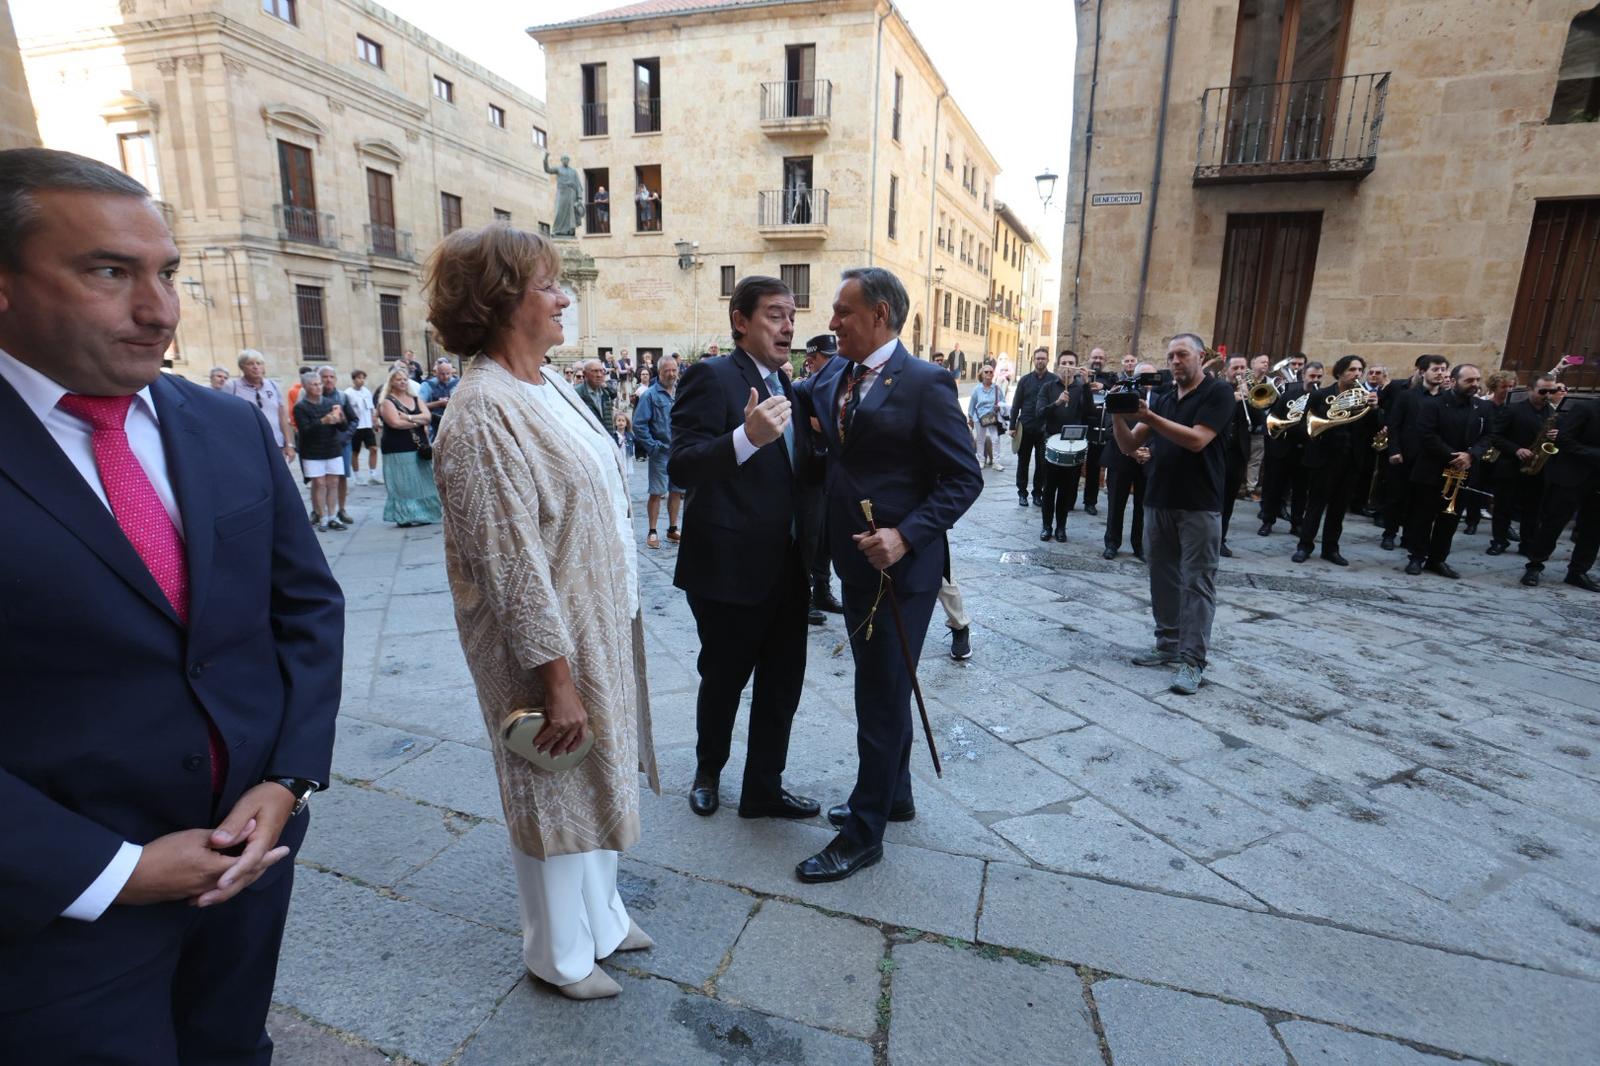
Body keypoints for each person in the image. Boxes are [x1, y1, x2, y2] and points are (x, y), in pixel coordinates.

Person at [0, 146, 341, 1063]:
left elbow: (306, 608)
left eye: (167, 273)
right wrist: (112, 872)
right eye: (110, 273)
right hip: (50, 923)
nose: (160, 310)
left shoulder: (224, 425)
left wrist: (288, 779)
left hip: (248, 867)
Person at [427, 222, 659, 1001]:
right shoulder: (481, 411)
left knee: (600, 771)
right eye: (550, 286)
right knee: (553, 779)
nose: (565, 298)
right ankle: (558, 954)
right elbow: (511, 565)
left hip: (597, 616)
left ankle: (602, 918)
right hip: (547, 642)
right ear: (500, 302)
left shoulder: (549, 383)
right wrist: (553, 679)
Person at [791, 266, 982, 883]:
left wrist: (906, 535)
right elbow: (829, 444)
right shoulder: (833, 379)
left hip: (905, 569)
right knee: (885, 682)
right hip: (852, 562)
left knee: (878, 693)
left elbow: (964, 478)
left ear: (879, 314)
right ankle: (894, 793)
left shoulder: (926, 382)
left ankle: (864, 831)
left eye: (843, 311)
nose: (832, 322)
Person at [667, 275, 821, 822]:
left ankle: (763, 789)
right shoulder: (711, 377)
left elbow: (801, 472)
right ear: (740, 321)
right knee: (725, 678)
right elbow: (681, 463)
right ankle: (709, 771)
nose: (788, 326)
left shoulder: (792, 388)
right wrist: (744, 438)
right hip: (728, 568)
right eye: (775, 315)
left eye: (791, 316)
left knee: (783, 684)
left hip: (787, 567)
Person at [1113, 332, 1234, 696]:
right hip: (1159, 499)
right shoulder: (1165, 398)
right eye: (1170, 356)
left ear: (1200, 357)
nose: (1175, 362)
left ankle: (1193, 660)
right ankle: (1167, 644)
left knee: (1197, 582)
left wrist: (1149, 414)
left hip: (1199, 504)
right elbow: (1129, 444)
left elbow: (1198, 439)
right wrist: (1117, 414)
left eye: (1182, 354)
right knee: (1161, 577)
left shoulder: (1218, 393)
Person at [1403, 364, 1488, 578]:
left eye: (1477, 380)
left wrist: (1471, 455)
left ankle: (1438, 559)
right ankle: (1416, 557)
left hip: (1464, 471)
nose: (1475, 385)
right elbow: (1426, 434)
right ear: (1454, 380)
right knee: (1423, 516)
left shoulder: (1482, 408)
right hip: (1432, 469)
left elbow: (1488, 436)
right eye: (1469, 381)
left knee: (1450, 519)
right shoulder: (1434, 405)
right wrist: (1453, 456)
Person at [1292, 354, 1378, 566]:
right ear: (1339, 372)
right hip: (1325, 458)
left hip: (1350, 460)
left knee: (1339, 508)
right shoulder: (1321, 395)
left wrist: (1375, 409)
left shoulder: (1364, 397)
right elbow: (1304, 425)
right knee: (1315, 505)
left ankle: (1331, 548)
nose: (1357, 374)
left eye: (1359, 370)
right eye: (1352, 370)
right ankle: (1304, 546)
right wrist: (1326, 425)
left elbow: (1375, 428)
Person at [1520, 393, 1600, 590]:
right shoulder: (1586, 408)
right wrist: (1594, 454)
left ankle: (1578, 571)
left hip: (1597, 482)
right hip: (1571, 477)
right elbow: (1564, 438)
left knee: (1593, 529)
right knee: (1553, 524)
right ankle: (1535, 566)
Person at [1379, 354, 1449, 550]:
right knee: (1396, 497)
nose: (1440, 373)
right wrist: (1394, 450)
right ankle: (1389, 534)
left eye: (1443, 369)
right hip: (1405, 455)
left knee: (1420, 501)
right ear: (1422, 372)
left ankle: (1410, 536)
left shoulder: (1446, 399)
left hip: (1429, 459)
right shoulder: (1407, 395)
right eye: (1435, 369)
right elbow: (1394, 425)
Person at [798, 334, 845, 623]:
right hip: (810, 472)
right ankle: (804, 596)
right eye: (822, 361)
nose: (829, 367)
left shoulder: (839, 386)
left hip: (831, 474)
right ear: (812, 361)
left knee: (826, 538)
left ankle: (823, 591)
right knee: (809, 537)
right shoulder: (806, 389)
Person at [1488, 372, 1558, 556]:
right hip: (1510, 466)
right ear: (1530, 389)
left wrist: (1556, 437)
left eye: (1552, 391)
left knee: (1533, 511)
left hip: (1537, 470)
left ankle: (1527, 544)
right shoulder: (1513, 409)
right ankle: (1499, 541)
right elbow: (1495, 436)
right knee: (1503, 507)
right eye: (1542, 391)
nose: (1547, 395)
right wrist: (1516, 449)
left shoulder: (1552, 413)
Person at [376, 365, 442, 527]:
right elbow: (394, 423)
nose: (403, 382)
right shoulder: (387, 402)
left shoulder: (415, 398)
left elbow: (427, 418)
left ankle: (425, 514)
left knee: (423, 481)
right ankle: (404, 516)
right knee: (403, 484)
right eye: (399, 379)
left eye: (405, 379)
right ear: (391, 382)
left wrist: (408, 417)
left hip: (419, 446)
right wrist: (416, 419)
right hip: (397, 447)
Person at [1102, 362, 1154, 560]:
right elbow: (1110, 429)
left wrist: (1149, 451)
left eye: (1151, 377)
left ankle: (1139, 545)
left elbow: (1162, 430)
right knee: (1116, 503)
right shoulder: (1120, 396)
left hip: (1147, 460)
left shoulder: (1162, 399)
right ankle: (1112, 543)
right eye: (1143, 377)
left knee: (1143, 505)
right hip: (1121, 458)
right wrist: (1132, 451)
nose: (1147, 382)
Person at [1038, 352, 1092, 542]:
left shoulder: (1080, 388)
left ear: (1077, 367)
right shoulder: (1048, 387)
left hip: (1072, 445)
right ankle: (1046, 527)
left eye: (1071, 363)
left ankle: (1061, 528)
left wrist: (1086, 386)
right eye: (1064, 363)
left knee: (1066, 490)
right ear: (1058, 365)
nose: (1068, 367)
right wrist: (1057, 402)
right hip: (1051, 443)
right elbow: (1040, 412)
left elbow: (1089, 413)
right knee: (1049, 489)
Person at [632, 355, 684, 548]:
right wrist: (653, 447)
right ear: (659, 372)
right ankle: (652, 531)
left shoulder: (681, 393)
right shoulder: (650, 395)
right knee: (656, 492)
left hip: (679, 451)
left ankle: (672, 529)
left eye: (673, 370)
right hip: (660, 452)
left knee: (677, 491)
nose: (671, 374)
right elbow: (638, 425)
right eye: (666, 371)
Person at [293, 371, 348, 532]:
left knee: (333, 483)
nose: (318, 387)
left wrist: (341, 417)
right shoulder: (300, 407)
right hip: (312, 451)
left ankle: (333, 516)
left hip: (332, 448)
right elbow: (305, 430)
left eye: (319, 384)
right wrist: (323, 421)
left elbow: (343, 428)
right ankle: (321, 516)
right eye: (314, 384)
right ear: (305, 387)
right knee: (319, 484)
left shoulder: (331, 402)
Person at [224, 347, 295, 462]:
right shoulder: (232, 387)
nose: (256, 367)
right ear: (242, 367)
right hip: (247, 444)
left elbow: (282, 416)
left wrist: (289, 444)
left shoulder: (273, 385)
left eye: (259, 363)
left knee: (278, 477)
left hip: (275, 442)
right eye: (250, 364)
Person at [1218, 355, 1253, 557]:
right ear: (1226, 370)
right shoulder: (1217, 389)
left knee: (1229, 500)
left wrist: (1249, 400)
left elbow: (1256, 422)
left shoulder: (1248, 392)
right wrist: (1231, 400)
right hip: (1217, 451)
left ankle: (1221, 538)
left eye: (1242, 367)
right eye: (1235, 367)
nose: (1239, 371)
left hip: (1237, 454)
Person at [1011, 347, 1054, 507]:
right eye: (1037, 358)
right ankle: (1022, 493)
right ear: (1033, 360)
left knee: (1042, 463)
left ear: (1047, 360)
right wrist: (1012, 426)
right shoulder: (1024, 380)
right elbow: (1016, 404)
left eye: (1043, 358)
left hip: (1044, 429)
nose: (1040, 361)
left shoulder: (1054, 380)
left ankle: (1037, 494)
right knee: (1023, 462)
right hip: (1026, 427)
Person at [318, 365, 356, 525]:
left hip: (341, 444)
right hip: (320, 444)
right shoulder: (312, 397)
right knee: (320, 479)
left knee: (341, 477)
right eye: (324, 377)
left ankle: (341, 509)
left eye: (331, 377)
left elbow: (354, 419)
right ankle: (320, 511)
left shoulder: (342, 397)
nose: (328, 380)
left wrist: (345, 436)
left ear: (336, 379)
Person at [968, 364, 1008, 469]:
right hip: (979, 418)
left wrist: (999, 407)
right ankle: (981, 460)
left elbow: (1003, 401)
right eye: (986, 372)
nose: (989, 374)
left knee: (995, 439)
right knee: (980, 439)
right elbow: (972, 404)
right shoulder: (977, 389)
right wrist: (970, 417)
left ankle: (996, 462)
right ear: (982, 374)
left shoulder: (997, 388)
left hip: (992, 417)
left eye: (991, 372)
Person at [347, 368, 380, 484]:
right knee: (355, 452)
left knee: (374, 449)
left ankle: (373, 475)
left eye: (363, 378)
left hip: (367, 425)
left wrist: (375, 420)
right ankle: (357, 476)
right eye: (359, 378)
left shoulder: (366, 391)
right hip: (356, 426)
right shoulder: (348, 393)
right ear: (354, 379)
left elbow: (371, 408)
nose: (361, 380)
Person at [421, 357, 457, 437]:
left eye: (448, 373)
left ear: (452, 372)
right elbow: (419, 406)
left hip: (453, 424)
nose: (445, 376)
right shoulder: (427, 385)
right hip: (433, 425)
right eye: (442, 374)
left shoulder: (458, 383)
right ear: (436, 372)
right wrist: (438, 403)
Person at [575, 358, 615, 428]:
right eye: (595, 371)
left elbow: (608, 421)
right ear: (585, 374)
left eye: (601, 371)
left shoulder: (605, 392)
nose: (599, 375)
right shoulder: (577, 393)